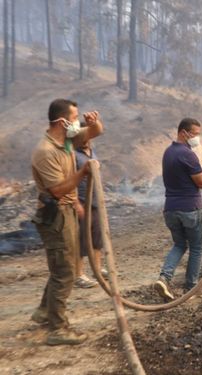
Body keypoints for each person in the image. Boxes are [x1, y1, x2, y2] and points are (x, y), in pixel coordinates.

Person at [30, 98, 104, 345]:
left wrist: (93, 123)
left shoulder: (68, 141)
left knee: (62, 265)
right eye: (74, 118)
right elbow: (58, 190)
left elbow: (95, 132)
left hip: (68, 210)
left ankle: (43, 312)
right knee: (65, 271)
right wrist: (83, 173)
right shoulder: (46, 151)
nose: (77, 123)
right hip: (55, 216)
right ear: (62, 121)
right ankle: (58, 329)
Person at [154, 118, 202, 301]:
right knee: (196, 247)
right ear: (183, 133)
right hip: (190, 208)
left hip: (170, 209)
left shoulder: (168, 152)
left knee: (180, 244)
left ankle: (164, 278)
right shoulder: (188, 155)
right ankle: (192, 286)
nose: (197, 138)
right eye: (195, 134)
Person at [73, 130, 109, 288]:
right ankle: (78, 275)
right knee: (81, 240)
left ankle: (97, 269)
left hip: (95, 201)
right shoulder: (73, 155)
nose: (86, 140)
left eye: (88, 137)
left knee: (97, 238)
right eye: (83, 137)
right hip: (82, 201)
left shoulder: (92, 153)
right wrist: (76, 203)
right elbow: (70, 179)